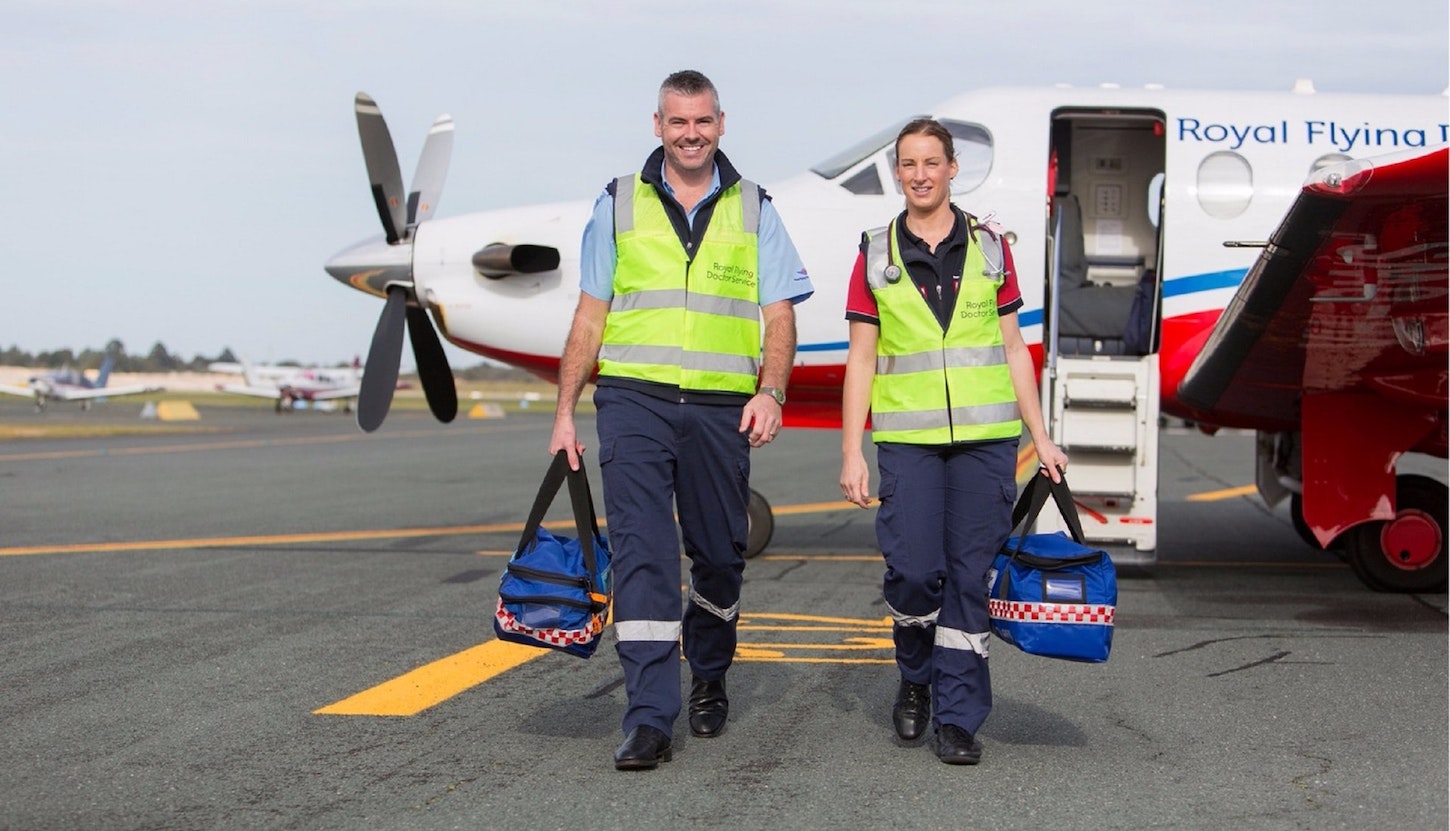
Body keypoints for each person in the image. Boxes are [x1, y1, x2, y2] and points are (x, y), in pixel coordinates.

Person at [550, 69, 813, 771]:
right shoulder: (617, 204)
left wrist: (773, 391)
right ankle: (647, 719)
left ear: (720, 124)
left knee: (720, 556)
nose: (690, 134)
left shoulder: (756, 207)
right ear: (657, 126)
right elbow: (589, 315)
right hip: (634, 400)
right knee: (643, 556)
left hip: (723, 408)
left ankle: (712, 670)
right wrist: (565, 413)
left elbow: (780, 315)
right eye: (677, 122)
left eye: (702, 122)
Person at [839, 118, 1068, 765]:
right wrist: (852, 449)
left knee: (969, 580)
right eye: (907, 164)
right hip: (909, 443)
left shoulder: (992, 247)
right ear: (899, 172)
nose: (918, 174)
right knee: (914, 573)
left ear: (951, 168)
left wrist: (1041, 436)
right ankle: (915, 677)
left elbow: (1015, 347)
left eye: (930, 162)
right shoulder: (875, 251)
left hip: (985, 442)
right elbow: (862, 357)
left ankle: (959, 717)